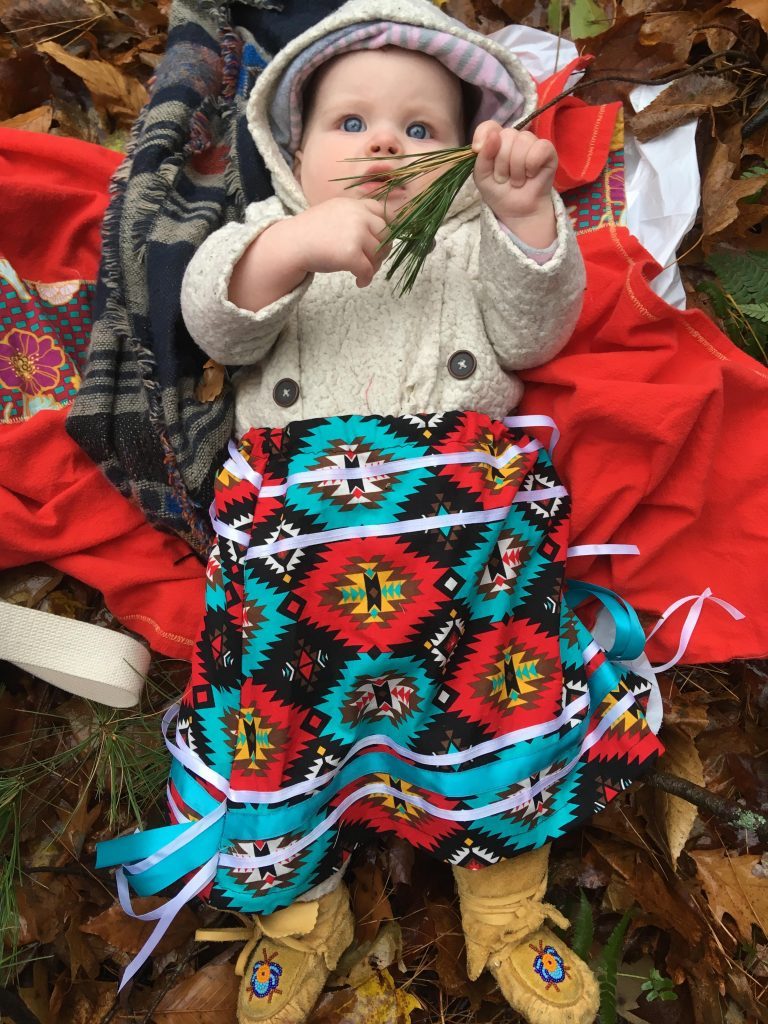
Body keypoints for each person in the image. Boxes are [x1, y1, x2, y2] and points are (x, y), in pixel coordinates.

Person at [165, 2, 664, 1022]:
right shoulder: (268, 234)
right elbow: (210, 317)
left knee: (504, 708)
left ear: (458, 162)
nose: (386, 141)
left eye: (421, 129)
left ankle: (507, 899)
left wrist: (526, 218)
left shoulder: (467, 247)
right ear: (289, 150)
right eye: (349, 124)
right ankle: (299, 904)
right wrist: (294, 245)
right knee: (273, 723)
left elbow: (535, 333)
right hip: (294, 555)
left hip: (466, 545)